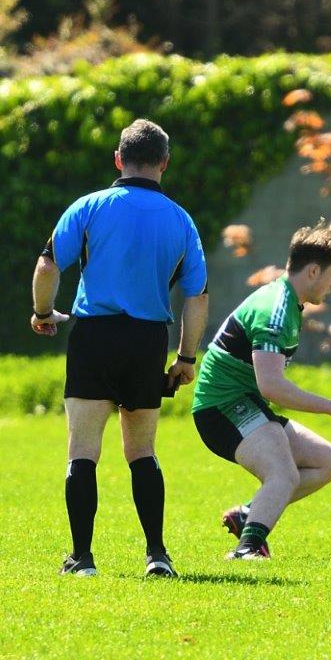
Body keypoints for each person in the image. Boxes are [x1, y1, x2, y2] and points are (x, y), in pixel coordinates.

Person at [31, 119, 209, 578]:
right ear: (164, 163)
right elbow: (197, 296)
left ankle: (82, 559)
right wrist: (187, 357)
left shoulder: (90, 206)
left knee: (83, 450)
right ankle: (157, 556)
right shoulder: (181, 220)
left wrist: (43, 312)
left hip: (95, 336)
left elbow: (49, 264)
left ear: (118, 159)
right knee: (142, 451)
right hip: (148, 341)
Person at [192, 221, 331, 560]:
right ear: (313, 271)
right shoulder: (276, 310)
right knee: (282, 474)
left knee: (328, 461)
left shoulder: (288, 301)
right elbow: (271, 386)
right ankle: (248, 549)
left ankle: (248, 515)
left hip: (246, 403)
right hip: (222, 407)